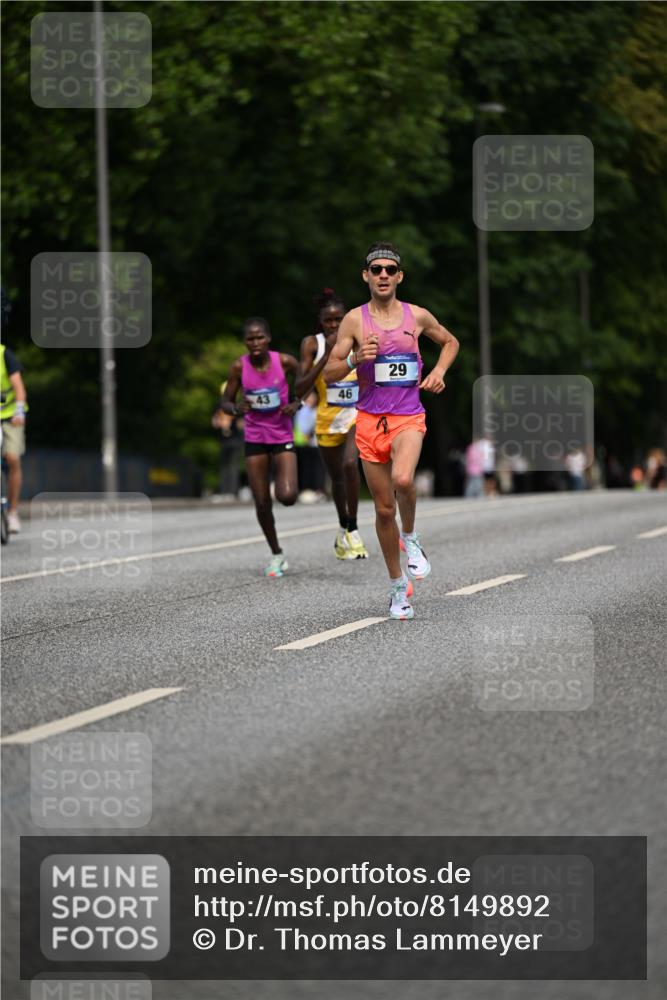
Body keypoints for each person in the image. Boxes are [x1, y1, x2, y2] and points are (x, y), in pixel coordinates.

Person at [324, 241, 459, 619]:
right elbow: (331, 371)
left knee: (403, 479)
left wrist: (438, 372)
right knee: (384, 511)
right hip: (369, 419)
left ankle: (411, 537)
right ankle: (398, 587)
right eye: (376, 269)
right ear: (366, 276)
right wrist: (353, 358)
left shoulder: (416, 316)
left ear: (399, 276)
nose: (383, 275)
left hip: (408, 416)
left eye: (390, 269)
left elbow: (450, 342)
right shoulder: (354, 320)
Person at [218, 317, 301, 577]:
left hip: (282, 435)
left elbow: (304, 386)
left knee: (286, 497)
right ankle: (277, 553)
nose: (255, 343)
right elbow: (225, 401)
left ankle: (284, 495)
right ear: (245, 341)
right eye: (250, 339)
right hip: (255, 437)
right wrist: (235, 408)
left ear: (268, 338)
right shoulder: (237, 368)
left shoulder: (285, 362)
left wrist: (297, 404)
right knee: (262, 502)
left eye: (259, 337)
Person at [295, 288, 368, 559]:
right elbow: (299, 389)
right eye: (329, 321)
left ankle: (355, 528)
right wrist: (325, 359)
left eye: (339, 320)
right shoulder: (311, 345)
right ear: (321, 322)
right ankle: (343, 528)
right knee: (336, 479)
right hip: (326, 420)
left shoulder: (358, 340)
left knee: (350, 464)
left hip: (356, 416)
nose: (334, 326)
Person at [0, 342, 28, 534]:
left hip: (11, 416)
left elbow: (18, 386)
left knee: (12, 458)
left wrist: (19, 410)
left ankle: (12, 511)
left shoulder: (4, 353)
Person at [211, 380, 244, 499]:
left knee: (231, 466)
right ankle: (227, 491)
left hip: (234, 440)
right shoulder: (233, 405)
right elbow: (215, 422)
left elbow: (241, 424)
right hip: (226, 440)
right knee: (227, 466)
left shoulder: (236, 405)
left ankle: (232, 491)